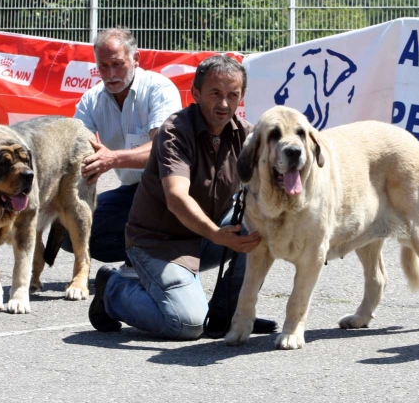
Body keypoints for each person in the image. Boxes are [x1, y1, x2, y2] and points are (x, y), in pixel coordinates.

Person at [88, 54, 278, 340]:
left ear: (242, 96)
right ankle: (113, 289)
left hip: (205, 236)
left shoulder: (247, 136)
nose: (224, 104)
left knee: (259, 225)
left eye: (233, 95)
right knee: (187, 324)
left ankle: (229, 314)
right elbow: (177, 198)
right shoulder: (175, 132)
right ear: (196, 93)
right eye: (215, 94)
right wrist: (217, 234)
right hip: (158, 244)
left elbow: (280, 180)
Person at [64, 27, 182, 271]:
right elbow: (73, 148)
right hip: (132, 191)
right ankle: (146, 254)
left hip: (169, 188)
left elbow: (163, 151)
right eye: (103, 66)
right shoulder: (91, 99)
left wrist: (112, 159)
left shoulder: (160, 89)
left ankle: (165, 254)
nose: (110, 74)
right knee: (69, 230)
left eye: (117, 64)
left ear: (136, 59)